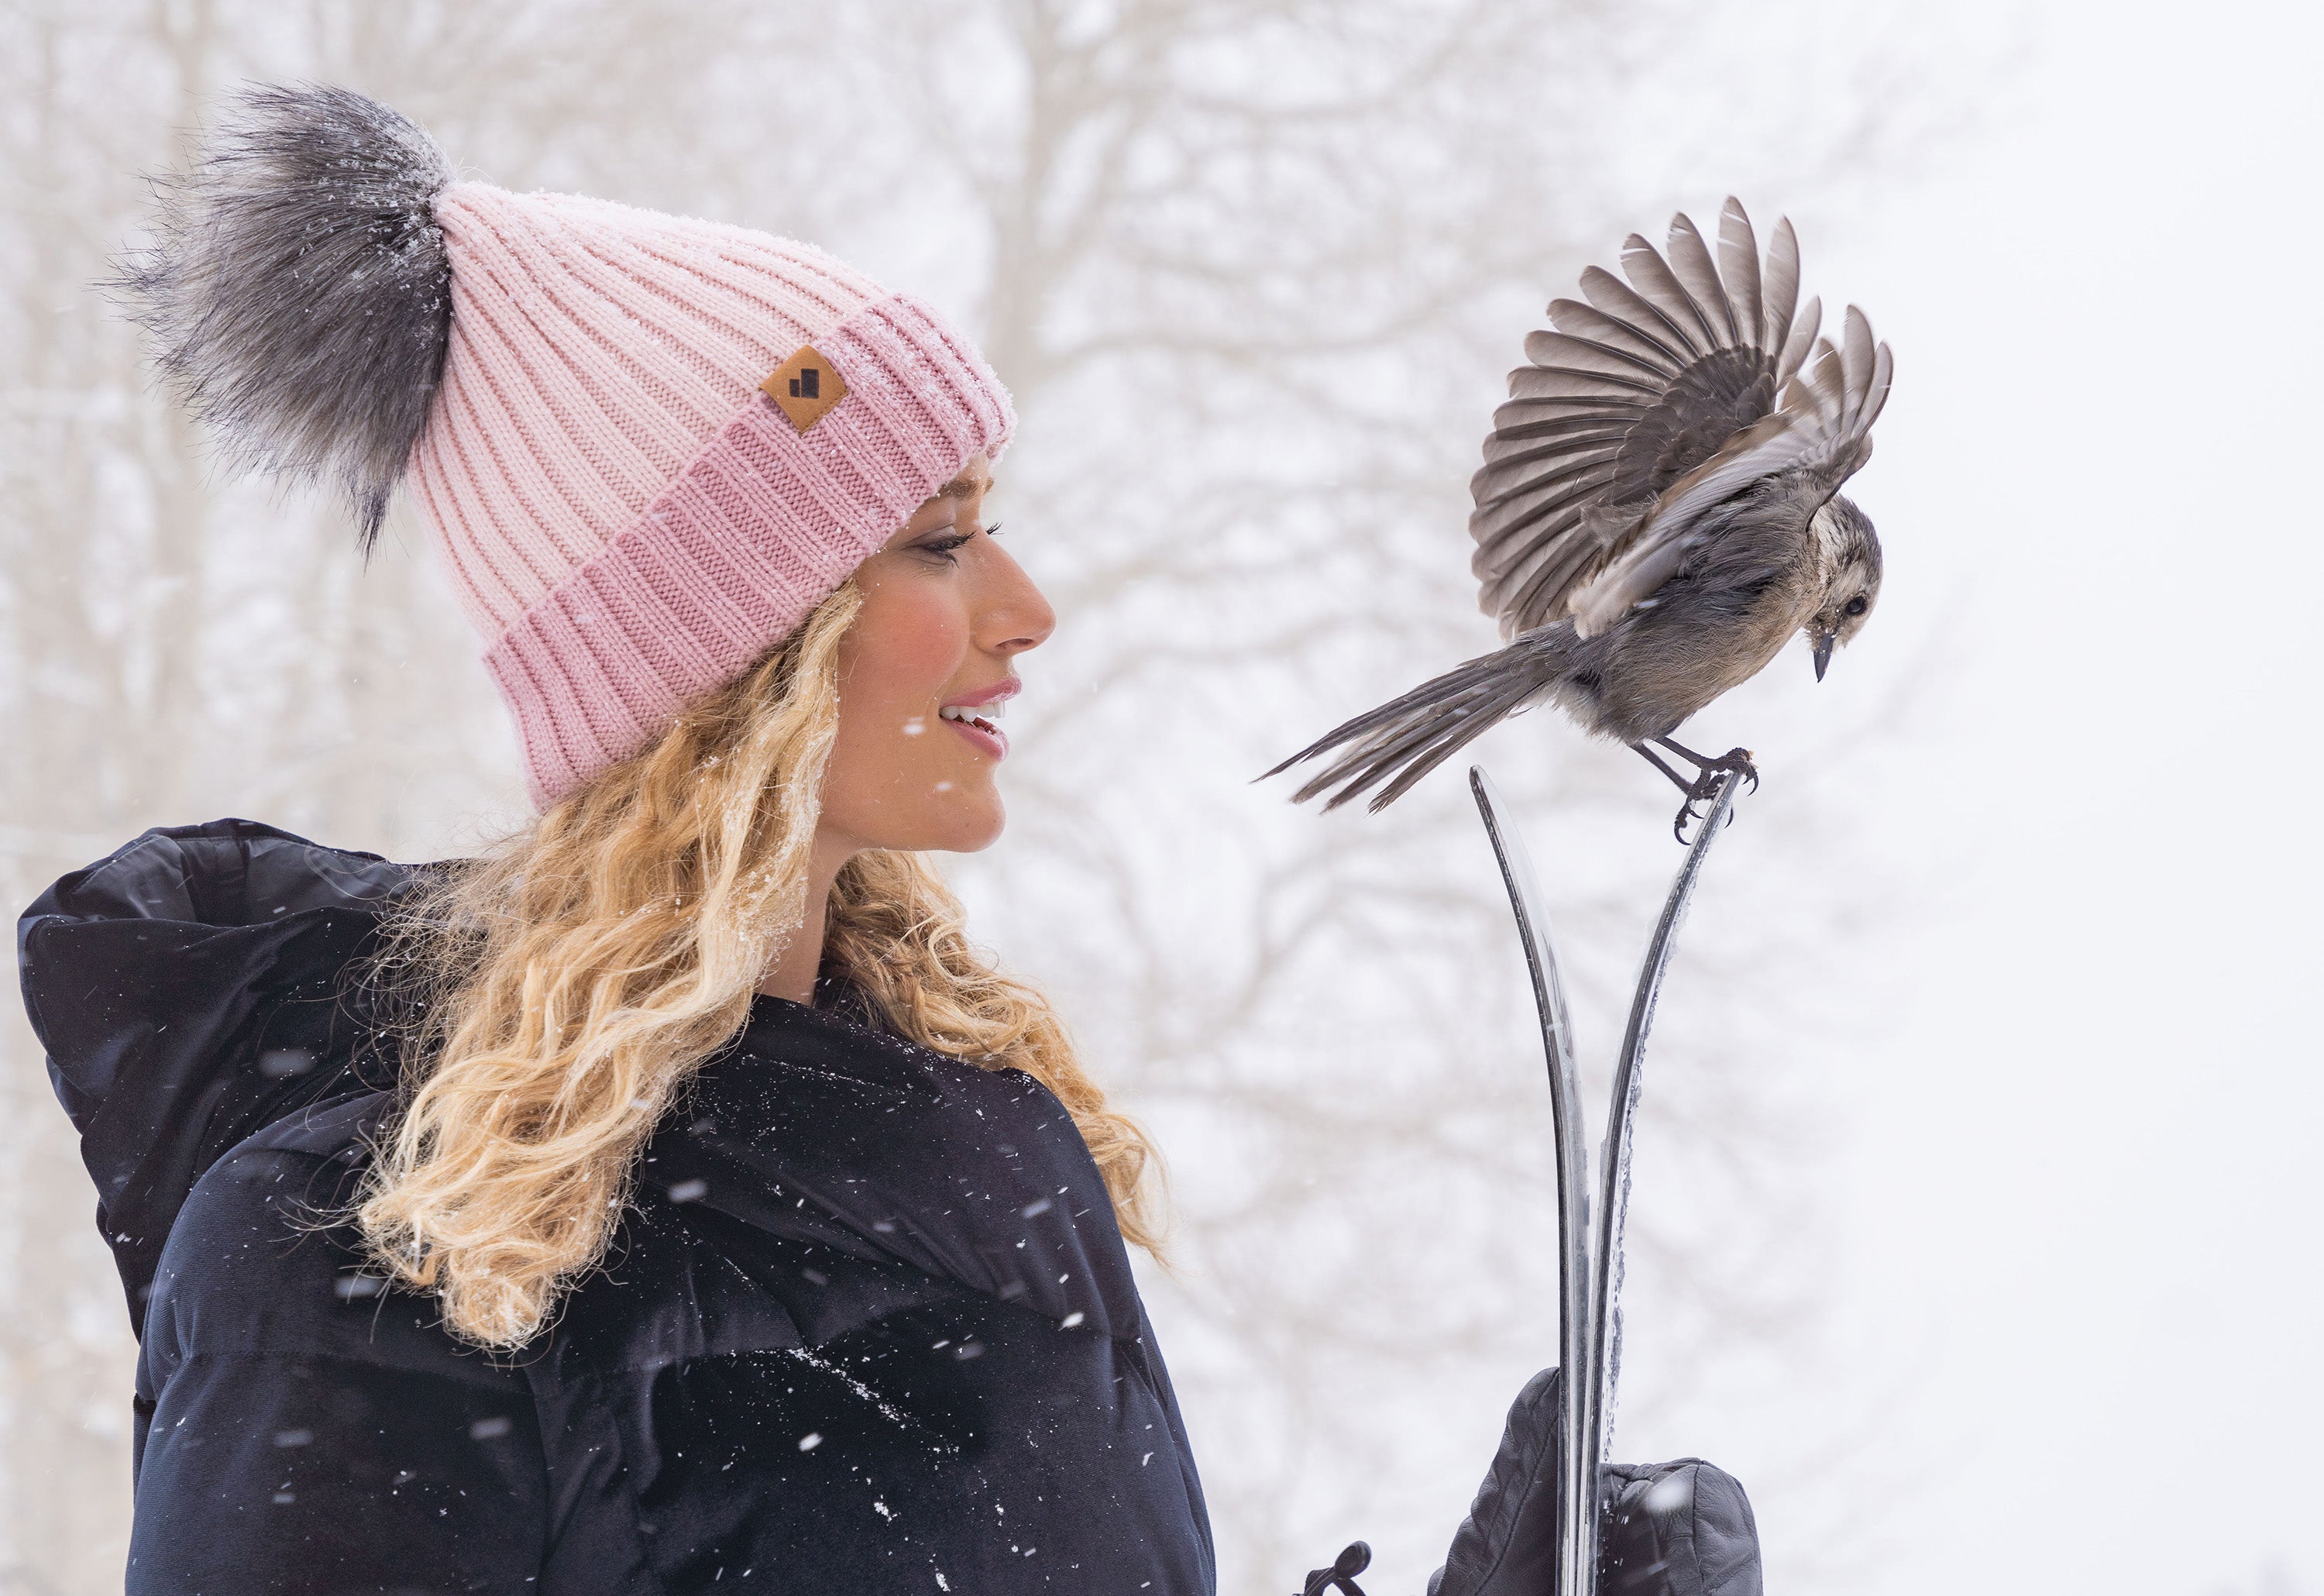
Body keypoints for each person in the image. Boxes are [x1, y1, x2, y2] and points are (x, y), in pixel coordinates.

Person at [18, 85, 1761, 1594]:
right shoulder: (348, 1257)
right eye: (938, 543)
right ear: (735, 648)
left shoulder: (998, 1149)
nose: (1025, 606)